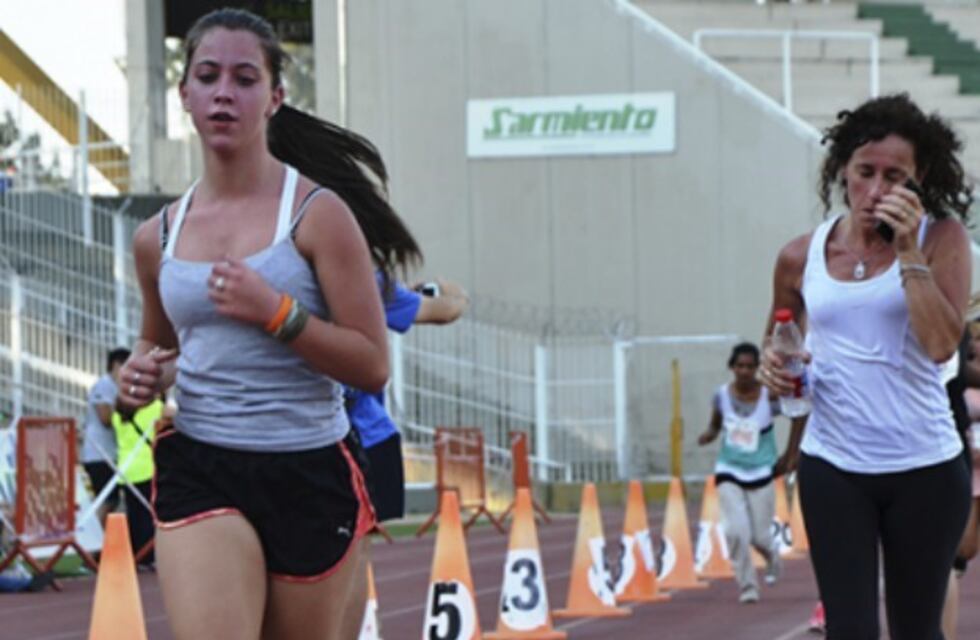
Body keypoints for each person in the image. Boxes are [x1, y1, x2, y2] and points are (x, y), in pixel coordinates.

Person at [116, 8, 421, 638]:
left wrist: (277, 313)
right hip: (202, 461)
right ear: (185, 95)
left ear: (275, 97)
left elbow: (372, 364)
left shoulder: (319, 215)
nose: (224, 92)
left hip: (308, 468)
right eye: (207, 76)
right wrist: (142, 375)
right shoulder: (156, 237)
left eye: (245, 78)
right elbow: (159, 344)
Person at [760, 93, 973, 639]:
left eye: (895, 177)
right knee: (849, 630)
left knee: (916, 630)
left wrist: (907, 251)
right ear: (842, 171)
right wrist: (774, 369)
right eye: (865, 172)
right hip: (835, 466)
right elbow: (776, 346)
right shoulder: (799, 256)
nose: (876, 190)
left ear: (918, 181)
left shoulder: (941, 238)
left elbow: (941, 345)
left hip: (925, 467)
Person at [347, 275, 468, 523]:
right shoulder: (368, 282)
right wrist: (457, 293)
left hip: (313, 433)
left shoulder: (288, 277)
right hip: (366, 434)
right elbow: (445, 311)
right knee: (361, 532)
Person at [698, 342, 782, 603]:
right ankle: (747, 586)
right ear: (731, 367)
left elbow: (797, 414)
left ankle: (771, 556)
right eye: (739, 366)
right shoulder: (721, 396)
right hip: (729, 469)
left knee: (760, 536)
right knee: (735, 532)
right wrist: (709, 435)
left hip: (761, 471)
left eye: (749, 366)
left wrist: (792, 454)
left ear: (757, 368)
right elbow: (715, 424)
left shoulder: (769, 397)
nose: (744, 371)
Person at [111, 394, 165, 568]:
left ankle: (136, 555)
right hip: (147, 468)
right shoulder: (155, 408)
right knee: (149, 515)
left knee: (134, 515)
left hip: (126, 469)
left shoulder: (117, 416)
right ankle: (148, 556)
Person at [80, 348, 129, 529]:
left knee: (112, 500)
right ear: (115, 365)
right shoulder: (105, 385)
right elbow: (105, 418)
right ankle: (93, 536)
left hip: (110, 453)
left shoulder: (114, 387)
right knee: (107, 499)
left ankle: (97, 537)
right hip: (99, 454)